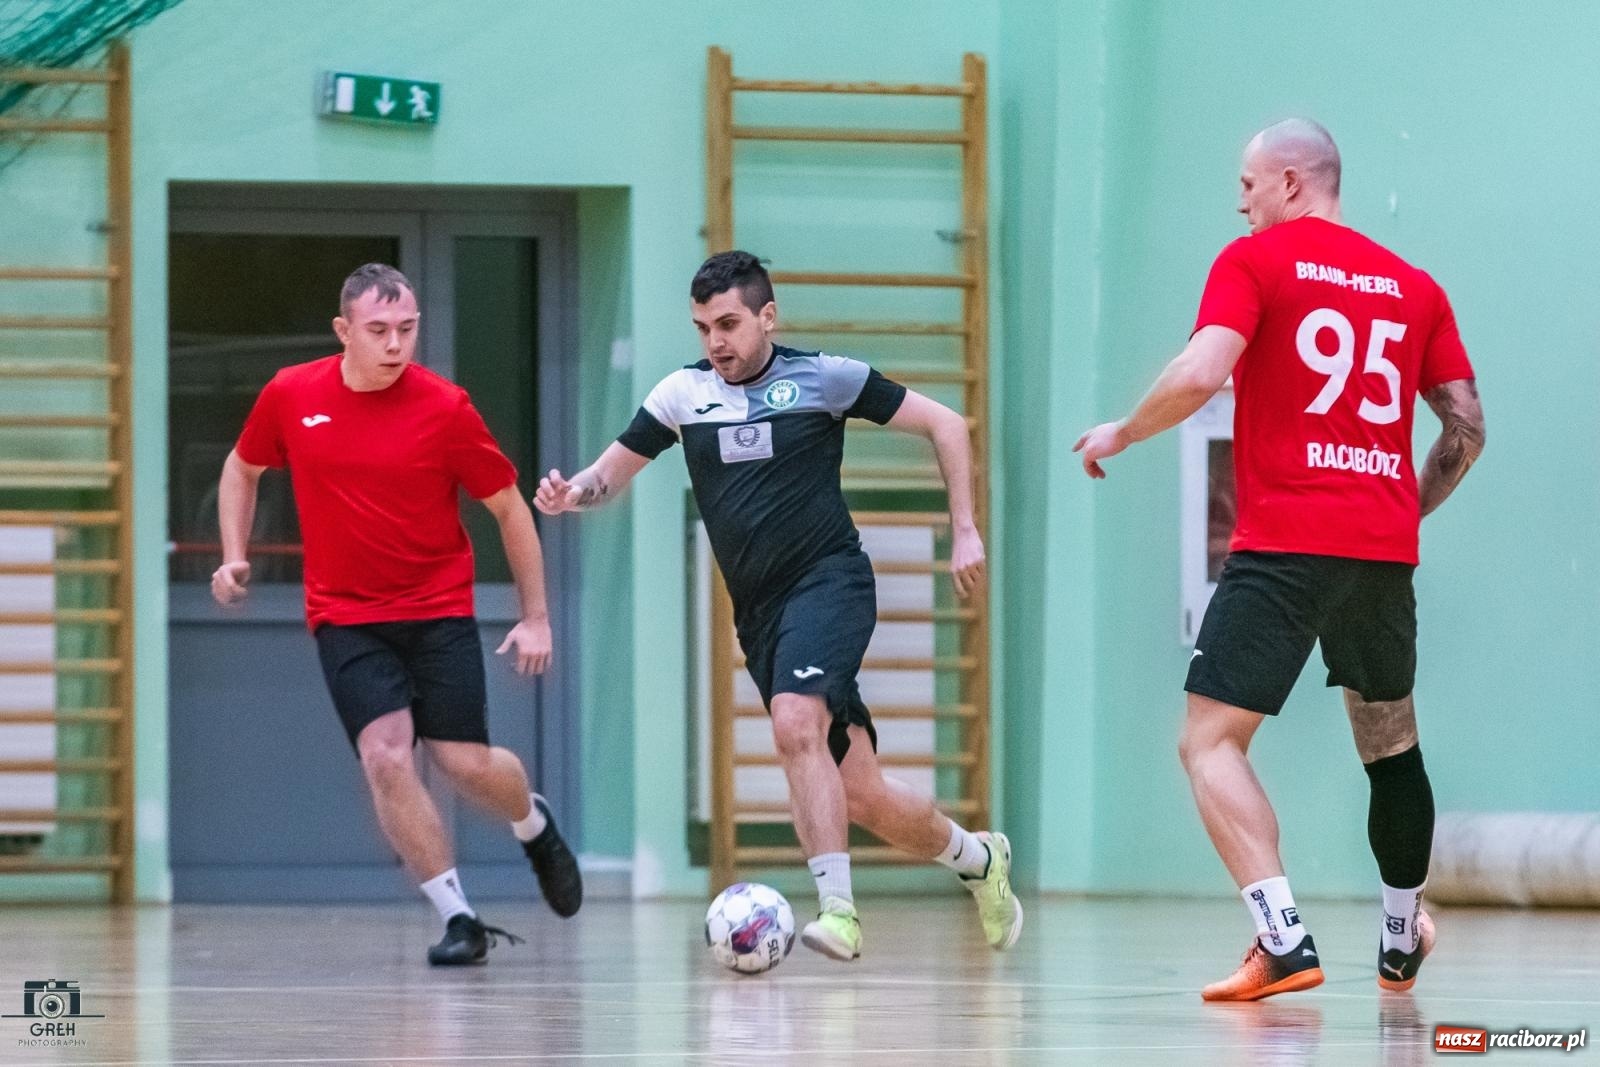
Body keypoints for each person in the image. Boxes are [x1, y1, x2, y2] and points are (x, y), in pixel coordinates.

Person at [1074, 119, 1485, 1001]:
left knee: (1210, 739)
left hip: (1287, 541)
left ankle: (1283, 935)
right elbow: (1466, 428)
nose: (1241, 201)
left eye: (1250, 184)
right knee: (1391, 745)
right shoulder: (1416, 287)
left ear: (1294, 182)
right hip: (1379, 551)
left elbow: (1199, 370)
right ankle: (1400, 931)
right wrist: (1398, 510)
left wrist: (1122, 428)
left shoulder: (1254, 262)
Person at [535, 250, 1021, 961]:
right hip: (761, 614)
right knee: (862, 791)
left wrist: (966, 528)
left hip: (831, 582)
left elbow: (947, 423)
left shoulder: (825, 378)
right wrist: (575, 492)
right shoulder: (682, 395)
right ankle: (980, 861)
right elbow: (612, 471)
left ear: (767, 316)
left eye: (729, 323)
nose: (716, 342)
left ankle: (839, 912)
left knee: (796, 722)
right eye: (703, 327)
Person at [211, 263, 583, 966]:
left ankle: (533, 822)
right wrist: (234, 553)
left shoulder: (445, 407)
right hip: (346, 616)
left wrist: (537, 616)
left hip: (437, 609)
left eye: (407, 329)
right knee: (385, 755)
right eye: (378, 330)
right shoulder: (292, 395)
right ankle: (458, 916)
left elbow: (509, 507)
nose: (395, 344)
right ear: (343, 331)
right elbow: (242, 468)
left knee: (462, 762)